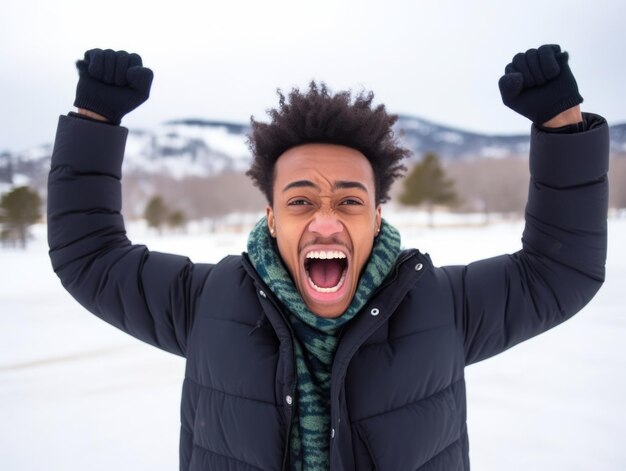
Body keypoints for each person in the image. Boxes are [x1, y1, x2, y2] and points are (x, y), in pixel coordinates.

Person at [47, 45, 608, 471]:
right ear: (271, 217)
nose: (325, 220)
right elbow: (91, 257)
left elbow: (556, 271)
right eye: (300, 201)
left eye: (348, 200)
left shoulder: (440, 306)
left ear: (377, 218)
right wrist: (95, 124)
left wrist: (561, 130)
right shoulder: (207, 303)